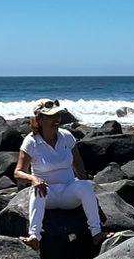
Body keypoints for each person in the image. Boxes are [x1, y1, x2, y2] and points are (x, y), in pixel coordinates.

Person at [13, 99, 103, 250]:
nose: (56, 120)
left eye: (58, 115)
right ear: (39, 120)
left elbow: (78, 163)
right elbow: (18, 172)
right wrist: (33, 179)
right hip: (48, 194)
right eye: (50, 117)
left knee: (85, 187)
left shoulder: (66, 136)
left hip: (69, 191)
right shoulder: (31, 142)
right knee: (37, 191)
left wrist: (87, 191)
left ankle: (97, 233)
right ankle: (34, 237)